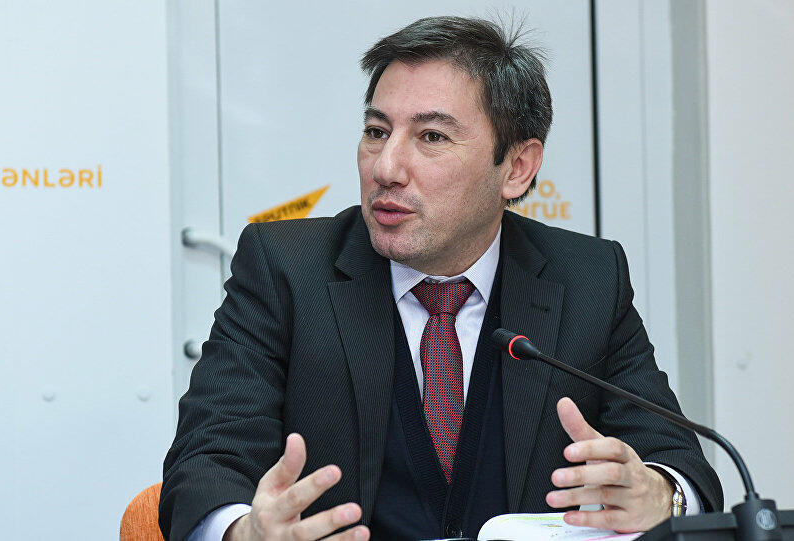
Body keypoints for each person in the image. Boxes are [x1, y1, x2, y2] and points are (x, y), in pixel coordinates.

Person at [160, 15, 722, 541]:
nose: (386, 168)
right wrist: (243, 532)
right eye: (376, 131)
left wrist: (661, 493)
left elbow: (679, 462)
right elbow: (205, 461)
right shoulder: (286, 268)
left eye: (431, 137)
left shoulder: (588, 280)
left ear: (517, 168)